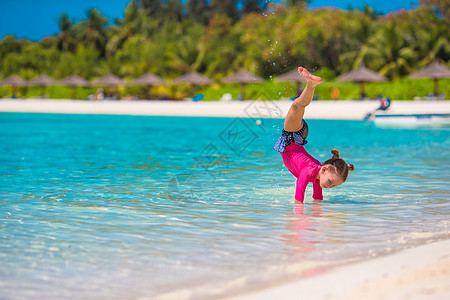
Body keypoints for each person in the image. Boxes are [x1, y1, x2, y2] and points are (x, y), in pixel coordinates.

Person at [274, 66, 355, 203]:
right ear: (324, 170)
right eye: (330, 182)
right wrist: (299, 218)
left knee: (298, 106)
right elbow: (298, 198)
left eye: (333, 185)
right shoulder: (308, 171)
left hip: (298, 137)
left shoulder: (318, 175)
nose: (329, 186)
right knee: (297, 106)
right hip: (292, 139)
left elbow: (318, 199)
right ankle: (311, 84)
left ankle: (311, 84)